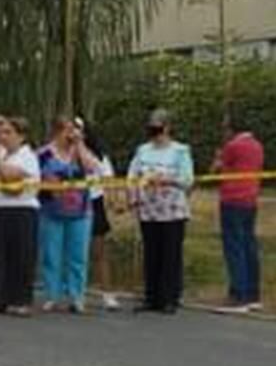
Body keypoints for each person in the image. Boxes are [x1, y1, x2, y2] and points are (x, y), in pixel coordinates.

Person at [128, 108, 195, 314]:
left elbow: (188, 179)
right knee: (151, 252)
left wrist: (168, 179)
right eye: (152, 128)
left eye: (159, 127)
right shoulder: (142, 150)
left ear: (168, 128)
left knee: (170, 254)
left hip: (172, 210)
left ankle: (169, 298)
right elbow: (132, 175)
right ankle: (151, 297)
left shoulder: (180, 151)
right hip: (149, 210)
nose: (156, 132)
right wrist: (132, 196)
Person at [0, 115, 40, 315]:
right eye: (1, 132)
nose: (3, 137)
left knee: (18, 255)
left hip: (20, 209)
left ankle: (20, 299)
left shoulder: (26, 156)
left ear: (21, 136)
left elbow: (11, 183)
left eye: (9, 132)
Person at [36, 116, 98, 314]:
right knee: (51, 255)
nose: (71, 134)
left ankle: (76, 295)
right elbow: (38, 177)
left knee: (78, 256)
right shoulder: (44, 154)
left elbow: (92, 168)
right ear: (57, 131)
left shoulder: (80, 151)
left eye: (74, 130)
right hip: (51, 210)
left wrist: (79, 145)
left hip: (81, 211)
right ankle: (52, 295)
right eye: (68, 130)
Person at [215, 115, 265, 311]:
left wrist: (218, 158)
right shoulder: (257, 145)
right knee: (248, 243)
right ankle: (253, 293)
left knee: (234, 246)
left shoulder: (232, 146)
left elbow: (219, 169)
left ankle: (238, 294)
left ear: (232, 129)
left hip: (232, 198)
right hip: (250, 199)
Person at [80, 121, 123, 312]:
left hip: (94, 201)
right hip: (71, 204)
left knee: (100, 251)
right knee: (76, 252)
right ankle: (75, 292)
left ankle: (107, 293)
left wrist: (113, 201)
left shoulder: (98, 155)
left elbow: (105, 176)